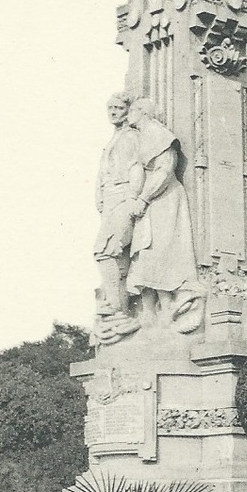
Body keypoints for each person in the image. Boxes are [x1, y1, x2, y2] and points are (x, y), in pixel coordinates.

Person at [125, 98, 202, 330]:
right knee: (144, 252)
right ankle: (149, 312)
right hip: (150, 202)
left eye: (132, 111)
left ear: (143, 113)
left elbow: (164, 171)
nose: (129, 116)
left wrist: (143, 198)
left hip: (164, 201)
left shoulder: (160, 135)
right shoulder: (141, 137)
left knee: (159, 251)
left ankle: (167, 309)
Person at [93, 91, 142, 334]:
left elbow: (136, 168)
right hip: (110, 200)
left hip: (123, 198)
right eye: (109, 108)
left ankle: (117, 307)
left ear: (127, 110)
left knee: (105, 250)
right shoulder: (115, 138)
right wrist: (98, 195)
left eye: (118, 108)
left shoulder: (131, 136)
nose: (112, 112)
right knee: (117, 257)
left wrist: (132, 198)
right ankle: (119, 308)